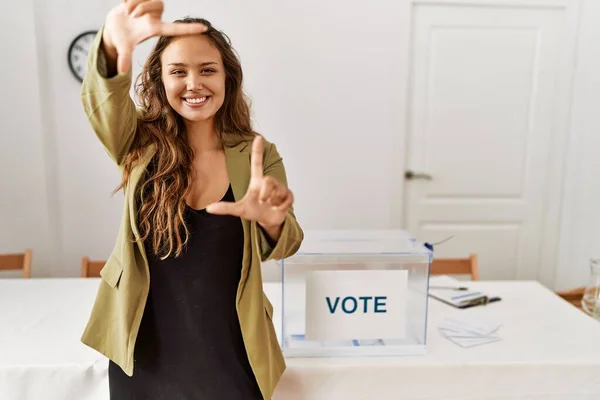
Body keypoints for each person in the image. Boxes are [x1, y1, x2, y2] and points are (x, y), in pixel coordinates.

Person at [79, 1, 304, 399]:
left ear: (227, 78)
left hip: (232, 347)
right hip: (144, 349)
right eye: (178, 71)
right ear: (160, 81)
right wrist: (113, 49)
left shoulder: (257, 154)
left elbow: (285, 244)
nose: (194, 83)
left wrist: (270, 220)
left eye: (207, 70)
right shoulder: (138, 142)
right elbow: (104, 103)